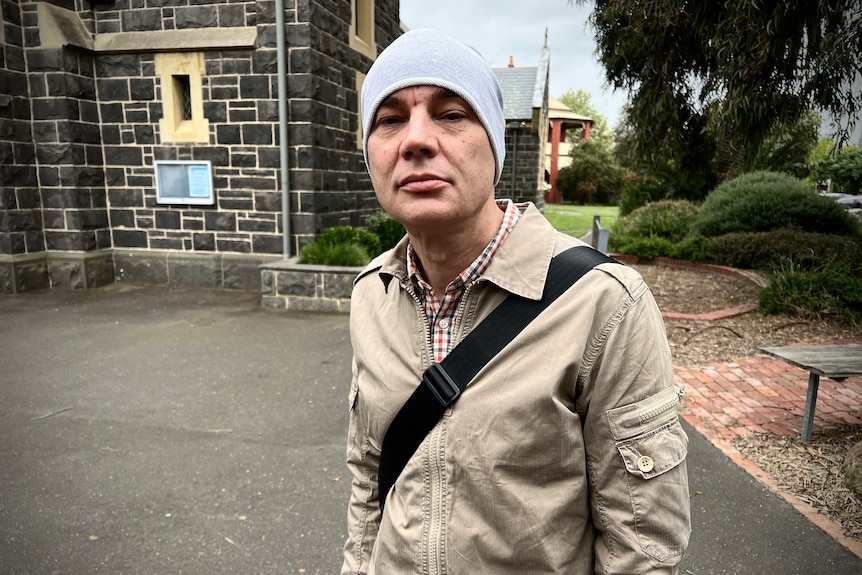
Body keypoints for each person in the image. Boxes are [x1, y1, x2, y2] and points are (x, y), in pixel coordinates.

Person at [342, 28, 690, 574]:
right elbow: (369, 477)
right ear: (370, 153)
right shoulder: (372, 293)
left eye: (451, 114)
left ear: (496, 143)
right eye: (389, 119)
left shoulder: (604, 305)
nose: (415, 140)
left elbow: (643, 544)